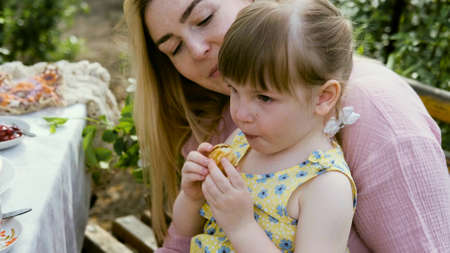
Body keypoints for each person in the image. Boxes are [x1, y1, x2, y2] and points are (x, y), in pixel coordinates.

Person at [123, 0, 450, 252]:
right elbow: (183, 238)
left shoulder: (366, 126)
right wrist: (192, 197)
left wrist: (240, 226)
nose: (196, 50)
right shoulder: (234, 125)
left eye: (204, 18)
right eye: (174, 48)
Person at [172, 1, 359, 252]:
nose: (239, 113)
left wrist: (241, 227)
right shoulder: (242, 143)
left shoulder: (325, 185)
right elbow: (186, 230)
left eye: (264, 97)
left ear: (323, 97)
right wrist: (192, 197)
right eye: (234, 90)